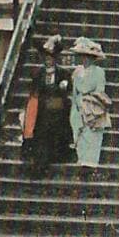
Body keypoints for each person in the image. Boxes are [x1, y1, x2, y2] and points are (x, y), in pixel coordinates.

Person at [22, 35, 73, 176]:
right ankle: (40, 165)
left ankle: (53, 158)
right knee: (41, 137)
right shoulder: (38, 73)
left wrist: (63, 87)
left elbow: (69, 90)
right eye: (46, 58)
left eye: (50, 58)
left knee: (55, 135)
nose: (48, 61)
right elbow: (34, 92)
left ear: (55, 59)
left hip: (57, 110)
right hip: (43, 111)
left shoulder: (63, 73)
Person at [69, 37, 111, 170]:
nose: (85, 59)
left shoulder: (99, 72)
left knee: (92, 134)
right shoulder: (77, 72)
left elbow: (100, 90)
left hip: (93, 106)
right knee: (79, 131)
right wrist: (77, 104)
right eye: (82, 56)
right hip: (79, 105)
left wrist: (89, 101)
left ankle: (90, 162)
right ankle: (81, 159)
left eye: (88, 57)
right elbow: (74, 91)